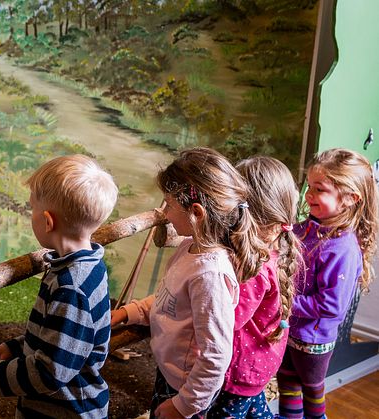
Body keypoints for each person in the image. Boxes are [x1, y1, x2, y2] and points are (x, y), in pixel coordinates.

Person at [111, 147, 269, 419]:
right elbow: (168, 299)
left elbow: (216, 355)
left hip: (188, 389)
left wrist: (183, 406)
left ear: (196, 212)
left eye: (169, 205)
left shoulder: (210, 276)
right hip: (170, 373)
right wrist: (129, 312)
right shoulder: (189, 248)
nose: (165, 214)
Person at [0, 154, 119, 418]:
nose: (30, 215)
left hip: (64, 411)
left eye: (32, 209)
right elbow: (60, 338)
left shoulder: (71, 288)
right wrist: (15, 348)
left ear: (47, 221)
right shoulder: (85, 265)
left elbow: (48, 373)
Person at [277, 148, 378, 419]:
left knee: (312, 392)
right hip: (292, 331)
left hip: (313, 342)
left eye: (319, 189)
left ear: (350, 198)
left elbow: (331, 307)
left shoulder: (342, 249)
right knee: (287, 384)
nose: (308, 195)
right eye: (309, 186)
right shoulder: (308, 227)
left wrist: (284, 304)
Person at [207, 156, 301, 418]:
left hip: (239, 372)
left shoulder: (254, 268)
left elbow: (228, 321)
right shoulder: (277, 249)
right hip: (259, 364)